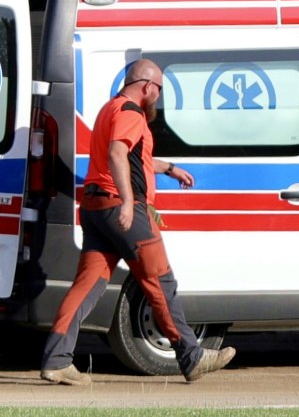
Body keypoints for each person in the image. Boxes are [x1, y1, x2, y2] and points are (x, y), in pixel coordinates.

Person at [40, 58, 236, 386]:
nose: (158, 96)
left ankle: (56, 360)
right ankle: (191, 355)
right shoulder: (132, 112)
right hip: (121, 208)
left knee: (87, 286)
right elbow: (118, 153)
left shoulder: (110, 109)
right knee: (161, 282)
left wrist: (169, 168)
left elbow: (134, 156)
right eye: (158, 89)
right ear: (147, 86)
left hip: (95, 206)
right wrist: (130, 202)